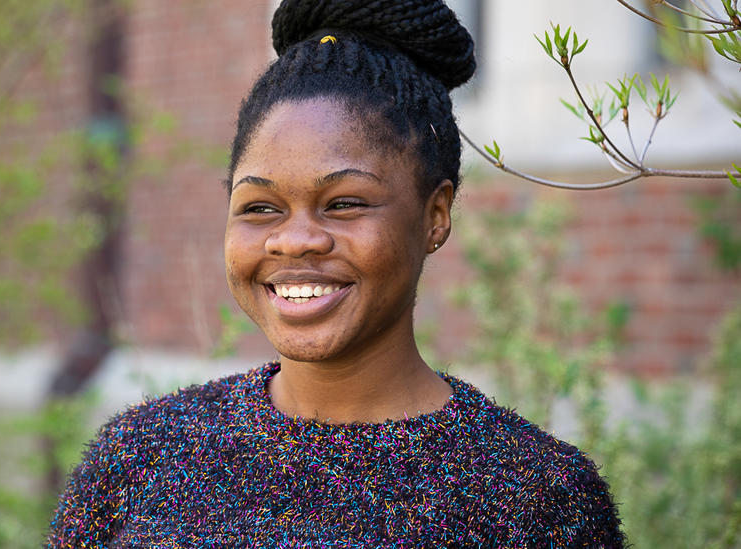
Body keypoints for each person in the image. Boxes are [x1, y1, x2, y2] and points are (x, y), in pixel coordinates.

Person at [46, 0, 625, 546]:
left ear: (435, 216)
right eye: (260, 207)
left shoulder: (535, 498)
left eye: (344, 203)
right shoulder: (141, 457)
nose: (294, 240)